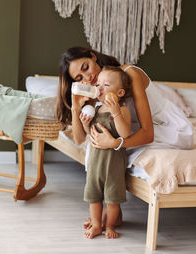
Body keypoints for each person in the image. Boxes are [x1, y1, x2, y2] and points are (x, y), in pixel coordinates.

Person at [55, 46, 193, 230]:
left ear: (93, 57)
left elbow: (148, 133)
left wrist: (115, 143)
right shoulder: (96, 91)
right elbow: (80, 139)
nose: (87, 78)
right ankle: (114, 210)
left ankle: (113, 208)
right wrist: (75, 107)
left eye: (86, 67)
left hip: (164, 127)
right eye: (79, 78)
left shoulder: (128, 74)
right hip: (128, 126)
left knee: (107, 146)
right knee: (94, 146)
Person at [81, 66, 132, 239]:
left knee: (112, 200)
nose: (100, 88)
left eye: (107, 84)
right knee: (94, 197)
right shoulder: (95, 110)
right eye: (99, 84)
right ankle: (96, 225)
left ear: (120, 92)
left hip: (113, 166)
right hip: (95, 164)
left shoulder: (122, 110)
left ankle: (110, 225)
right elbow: (90, 134)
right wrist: (85, 124)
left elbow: (124, 134)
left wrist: (116, 112)